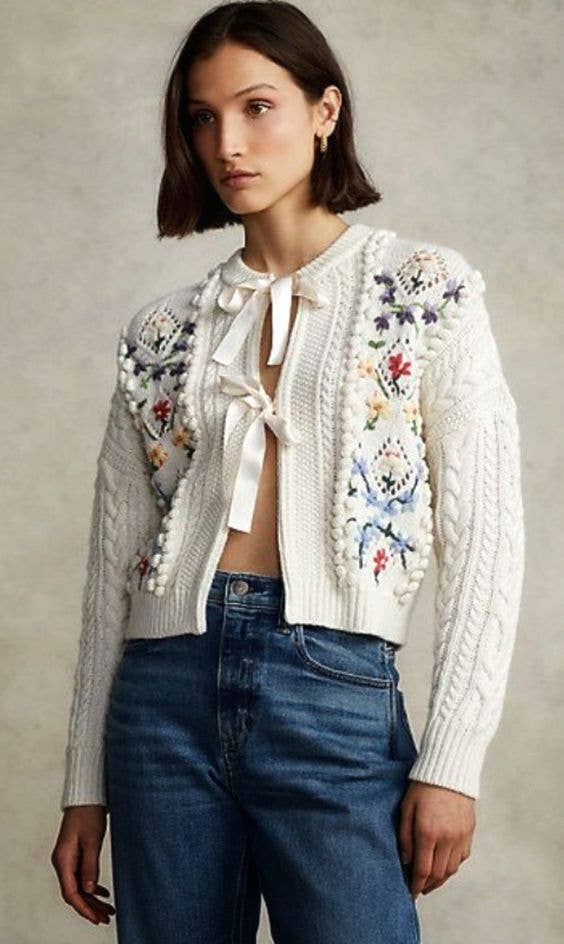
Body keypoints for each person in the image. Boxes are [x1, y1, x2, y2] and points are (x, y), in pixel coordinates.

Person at [50, 2, 525, 942]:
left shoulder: (422, 292)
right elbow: (113, 574)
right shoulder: (161, 333)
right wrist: (82, 783)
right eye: (203, 117)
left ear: (324, 111)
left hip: (332, 688)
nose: (227, 143)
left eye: (257, 106)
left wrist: (452, 762)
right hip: (161, 700)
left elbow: (488, 541)